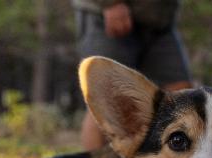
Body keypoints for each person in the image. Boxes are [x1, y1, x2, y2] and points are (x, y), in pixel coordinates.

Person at [72, 0, 193, 150]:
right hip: (108, 13)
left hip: (159, 21)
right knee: (106, 98)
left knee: (181, 91)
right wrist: (110, 4)